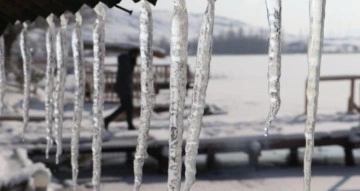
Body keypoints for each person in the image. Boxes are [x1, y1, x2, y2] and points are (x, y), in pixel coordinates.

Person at [104, 48, 140, 130]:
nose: (137, 57)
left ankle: (108, 120)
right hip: (123, 87)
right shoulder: (125, 61)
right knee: (128, 107)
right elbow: (127, 72)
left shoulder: (127, 60)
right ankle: (128, 125)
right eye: (136, 55)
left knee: (126, 107)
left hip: (126, 87)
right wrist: (133, 62)